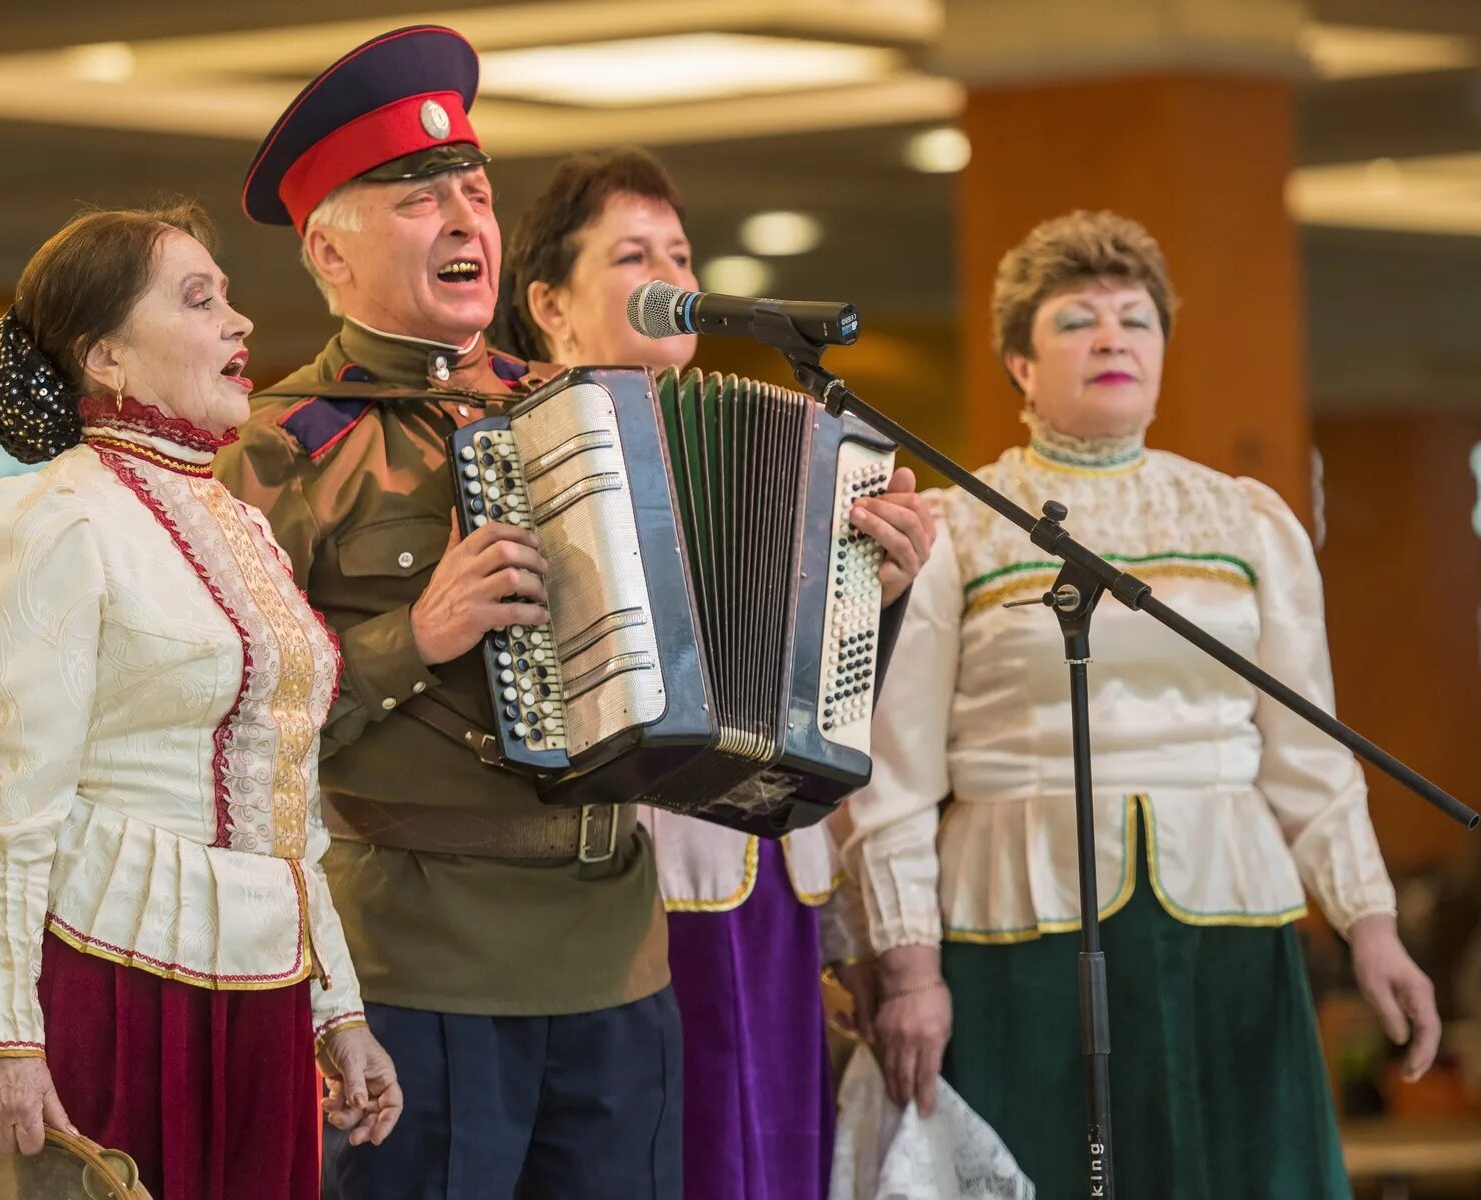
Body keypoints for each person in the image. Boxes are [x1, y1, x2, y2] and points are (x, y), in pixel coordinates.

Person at [836, 209, 1441, 1198]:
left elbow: (1308, 752)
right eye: (1077, 320)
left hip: (1230, 937)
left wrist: (1369, 922)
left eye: (1137, 320)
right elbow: (893, 775)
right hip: (1015, 938)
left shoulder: (1247, 521)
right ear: (1019, 364)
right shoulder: (956, 528)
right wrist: (909, 972)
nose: (1114, 337)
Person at [222, 26, 689, 1197]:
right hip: (416, 963)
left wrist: (863, 602)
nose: (465, 219)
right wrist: (408, 638)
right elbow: (220, 735)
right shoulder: (279, 452)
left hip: (617, 953)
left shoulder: (589, 418)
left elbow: (707, 652)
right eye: (418, 200)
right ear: (329, 252)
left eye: (474, 192)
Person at [491, 146, 934, 1200]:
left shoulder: (784, 437)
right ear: (548, 304)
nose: (672, 276)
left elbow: (835, 706)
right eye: (633, 254)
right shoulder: (514, 448)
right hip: (605, 885)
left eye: (681, 255)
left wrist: (883, 595)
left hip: (765, 879)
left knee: (768, 1150)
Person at [0, 200, 399, 1199]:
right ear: (104, 357)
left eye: (228, 299)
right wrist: (2, 1040)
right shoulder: (51, 518)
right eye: (200, 301)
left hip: (265, 1001)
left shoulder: (245, 529)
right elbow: (0, 809)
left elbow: (288, 807)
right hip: (109, 984)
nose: (239, 325)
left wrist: (338, 1011)